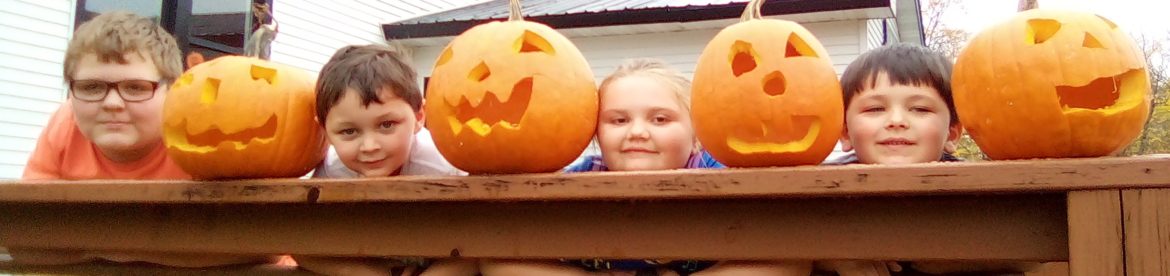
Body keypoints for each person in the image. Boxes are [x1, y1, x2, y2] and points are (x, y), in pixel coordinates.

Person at [481, 58, 811, 276]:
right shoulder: (583, 178)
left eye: (660, 119)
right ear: (595, 133)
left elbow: (792, 256)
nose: (637, 131)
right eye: (619, 120)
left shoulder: (718, 174)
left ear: (698, 134)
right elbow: (496, 258)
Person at [293, 44, 475, 276]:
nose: (370, 147)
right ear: (325, 132)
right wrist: (354, 271)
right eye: (349, 131)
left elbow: (480, 245)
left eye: (386, 125)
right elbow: (300, 246)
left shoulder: (443, 166)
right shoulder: (331, 171)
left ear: (419, 117)